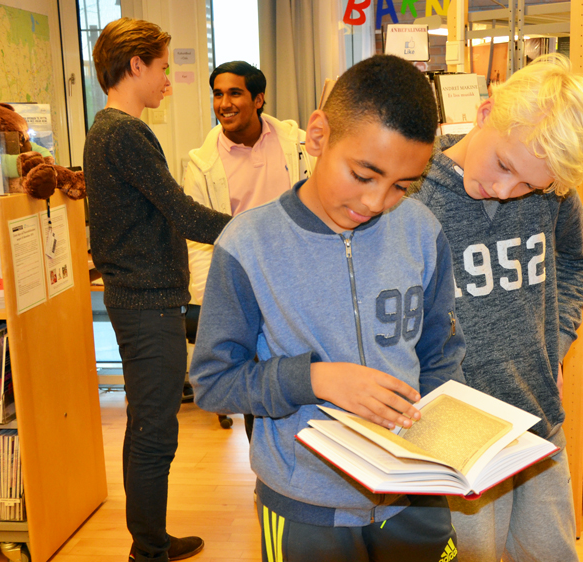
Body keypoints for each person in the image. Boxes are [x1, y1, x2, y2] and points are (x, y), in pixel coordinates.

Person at [189, 54, 465, 562]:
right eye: (364, 174)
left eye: (403, 186)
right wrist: (316, 380)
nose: (377, 201)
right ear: (318, 137)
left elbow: (440, 352)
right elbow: (214, 381)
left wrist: (451, 438)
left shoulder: (421, 231)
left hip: (415, 497)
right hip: (304, 508)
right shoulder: (248, 244)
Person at [410, 52, 583, 562]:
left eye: (529, 187)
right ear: (484, 111)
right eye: (504, 166)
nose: (504, 190)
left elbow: (579, 263)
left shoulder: (552, 187)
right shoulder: (414, 194)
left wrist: (554, 342)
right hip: (455, 439)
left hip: (539, 420)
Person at [83, 17, 231, 562]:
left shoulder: (111, 131)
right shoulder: (122, 132)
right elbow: (182, 211)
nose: (169, 81)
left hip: (144, 300)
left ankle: (150, 538)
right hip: (148, 304)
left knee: (149, 425)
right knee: (153, 431)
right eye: (164, 68)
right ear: (136, 65)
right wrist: (256, 229)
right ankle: (147, 551)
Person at [182, 60, 313, 430]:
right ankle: (265, 474)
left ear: (258, 99)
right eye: (218, 94)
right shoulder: (202, 165)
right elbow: (198, 238)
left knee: (303, 374)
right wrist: (211, 302)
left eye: (234, 93)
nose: (224, 103)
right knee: (258, 387)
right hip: (245, 286)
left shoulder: (298, 146)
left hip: (297, 279)